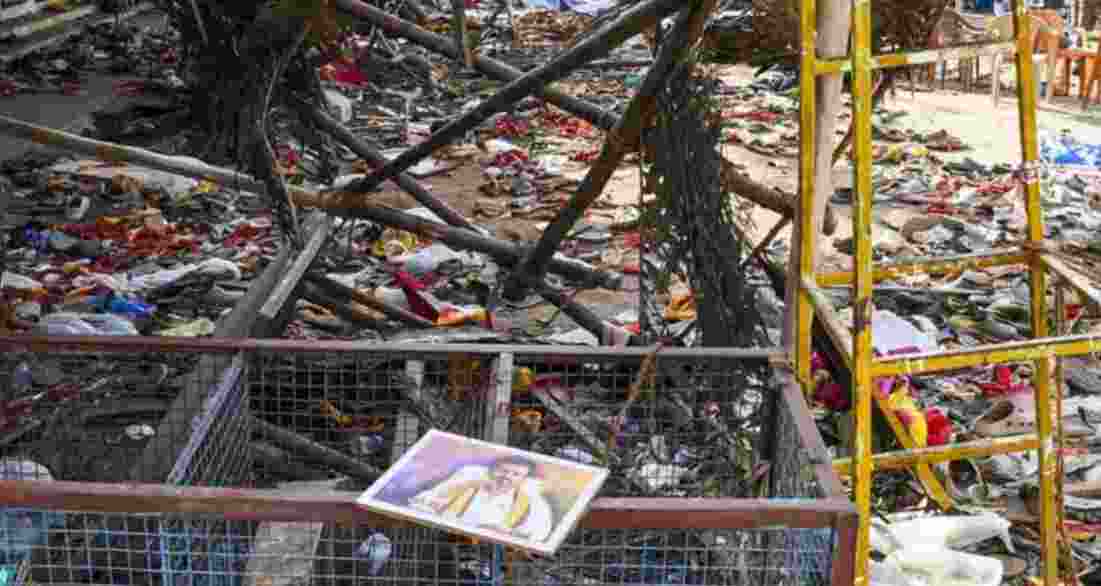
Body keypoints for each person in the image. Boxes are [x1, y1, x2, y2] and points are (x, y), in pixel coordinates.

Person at [408, 457, 554, 543]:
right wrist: (434, 507)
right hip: (444, 541)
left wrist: (508, 533)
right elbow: (419, 501)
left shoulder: (534, 504)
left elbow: (539, 535)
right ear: (491, 471)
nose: (506, 476)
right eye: (503, 471)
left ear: (524, 479)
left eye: (515, 474)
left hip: (492, 551)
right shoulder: (463, 484)